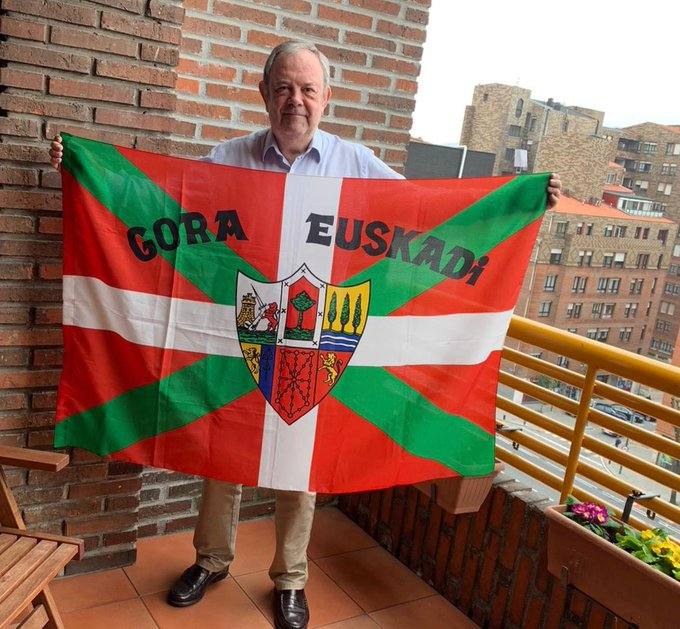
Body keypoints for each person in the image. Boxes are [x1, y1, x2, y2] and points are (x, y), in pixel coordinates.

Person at [50, 40, 562, 629]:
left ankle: (291, 579)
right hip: (247, 329)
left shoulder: (356, 163)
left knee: (304, 467)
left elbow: (427, 215)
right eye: (285, 88)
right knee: (223, 451)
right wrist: (88, 171)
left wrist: (515, 203)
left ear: (326, 98)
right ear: (265, 94)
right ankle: (211, 560)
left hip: (323, 334)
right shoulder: (229, 156)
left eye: (308, 89)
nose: (296, 100)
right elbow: (161, 203)